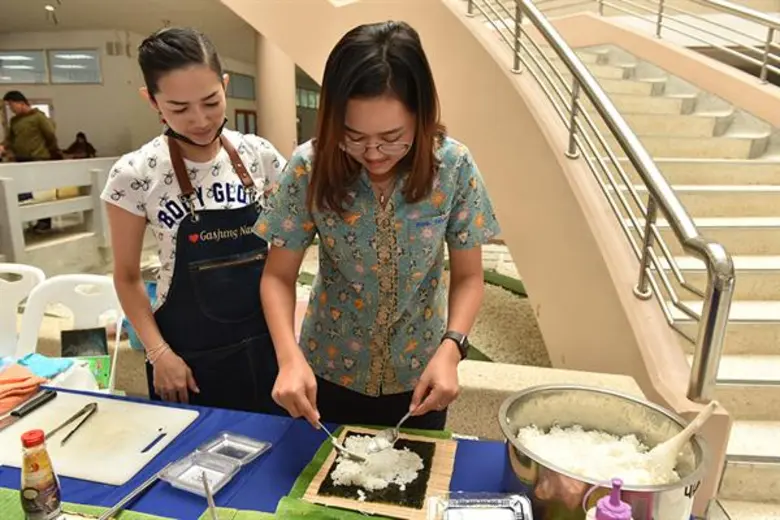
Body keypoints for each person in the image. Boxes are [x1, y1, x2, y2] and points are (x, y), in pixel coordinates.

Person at [257, 21, 501, 431]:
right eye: (352, 136)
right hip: (326, 373)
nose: (372, 152)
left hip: (422, 377)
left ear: (421, 117)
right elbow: (277, 277)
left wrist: (452, 348)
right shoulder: (310, 166)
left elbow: (469, 277)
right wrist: (288, 357)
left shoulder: (454, 167)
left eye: (391, 137)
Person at [101, 27, 287, 414]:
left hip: (266, 345)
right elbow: (127, 277)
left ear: (225, 84)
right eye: (179, 108)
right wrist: (159, 354)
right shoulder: (135, 173)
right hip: (188, 360)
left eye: (211, 101)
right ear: (151, 100)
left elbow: (289, 248)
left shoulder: (260, 156)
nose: (200, 120)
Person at [2, 90, 62, 231]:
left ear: (21, 103)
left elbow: (50, 135)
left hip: (38, 158)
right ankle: (27, 218)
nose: (11, 109)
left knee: (41, 192)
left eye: (11, 105)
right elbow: (10, 139)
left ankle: (45, 221)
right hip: (21, 160)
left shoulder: (38, 117)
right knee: (24, 192)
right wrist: (3, 146)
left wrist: (52, 152)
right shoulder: (14, 121)